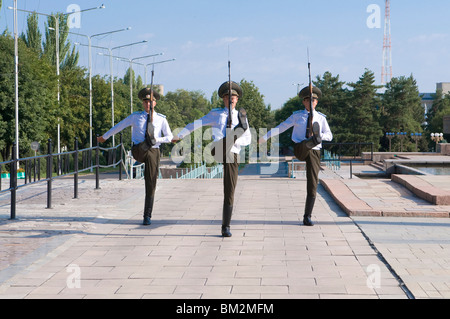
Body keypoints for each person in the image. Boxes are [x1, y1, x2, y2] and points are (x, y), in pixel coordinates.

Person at [172, 81, 251, 237]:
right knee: (225, 141)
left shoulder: (241, 116)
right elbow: (196, 124)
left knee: (230, 189)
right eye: (228, 97)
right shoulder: (216, 114)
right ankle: (231, 137)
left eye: (234, 97)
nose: (231, 99)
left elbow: (248, 139)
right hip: (218, 148)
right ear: (224, 99)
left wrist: (234, 140)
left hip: (232, 153)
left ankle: (225, 226)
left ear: (237, 99)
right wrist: (180, 135)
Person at [97, 87, 173, 225]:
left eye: (150, 102)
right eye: (145, 102)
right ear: (142, 103)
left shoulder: (161, 119)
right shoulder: (136, 117)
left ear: (155, 103)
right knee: (145, 146)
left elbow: (169, 136)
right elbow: (120, 126)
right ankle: (147, 145)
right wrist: (105, 136)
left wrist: (157, 139)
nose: (148, 104)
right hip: (138, 150)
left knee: (151, 182)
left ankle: (147, 215)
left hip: (153, 150)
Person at [259, 86, 332, 226]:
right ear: (304, 102)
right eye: (308, 100)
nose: (311, 102)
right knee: (306, 143)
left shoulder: (321, 118)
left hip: (314, 151)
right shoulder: (297, 116)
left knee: (312, 183)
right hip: (299, 148)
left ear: (317, 102)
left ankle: (307, 216)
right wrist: (266, 137)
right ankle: (312, 139)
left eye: (314, 100)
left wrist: (320, 136)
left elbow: (329, 135)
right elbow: (282, 127)